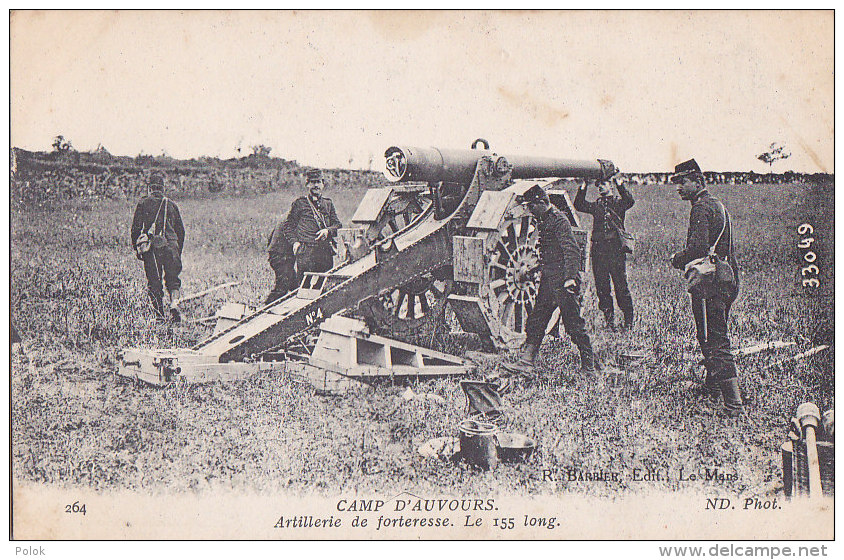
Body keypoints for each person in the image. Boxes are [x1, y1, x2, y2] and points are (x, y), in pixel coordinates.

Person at [669, 159, 742, 417]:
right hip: (726, 279)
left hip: (711, 284)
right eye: (677, 182)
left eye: (683, 182)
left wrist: (678, 259)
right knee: (710, 333)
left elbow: (698, 249)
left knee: (714, 338)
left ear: (698, 182)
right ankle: (712, 385)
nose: (678, 187)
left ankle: (733, 404)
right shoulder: (717, 205)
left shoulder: (700, 208)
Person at [505, 184, 598, 375]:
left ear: (541, 203)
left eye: (532, 206)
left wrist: (571, 279)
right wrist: (536, 268)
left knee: (573, 325)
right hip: (549, 280)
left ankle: (589, 366)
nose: (530, 210)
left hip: (564, 281)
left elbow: (572, 251)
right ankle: (526, 361)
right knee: (537, 320)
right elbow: (551, 254)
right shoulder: (544, 219)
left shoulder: (559, 221)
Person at [574, 175, 635, 330]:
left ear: (611, 186)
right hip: (599, 249)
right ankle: (609, 322)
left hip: (615, 249)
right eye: (598, 185)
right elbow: (579, 204)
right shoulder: (597, 205)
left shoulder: (619, 203)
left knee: (620, 286)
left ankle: (628, 322)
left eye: (604, 184)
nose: (600, 187)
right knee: (602, 287)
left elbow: (630, 201)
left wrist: (619, 183)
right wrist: (583, 186)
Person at [131, 172, 185, 323]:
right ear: (163, 188)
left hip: (153, 247)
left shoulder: (143, 203)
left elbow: (135, 229)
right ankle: (174, 303)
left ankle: (160, 316)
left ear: (150, 188)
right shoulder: (172, 205)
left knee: (155, 282)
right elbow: (181, 231)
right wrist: (177, 251)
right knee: (173, 280)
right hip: (172, 246)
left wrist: (138, 247)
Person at [282, 168, 342, 285]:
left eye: (318, 182)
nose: (316, 185)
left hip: (324, 252)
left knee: (324, 286)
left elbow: (338, 225)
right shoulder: (299, 203)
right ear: (307, 184)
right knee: (304, 287)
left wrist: (327, 231)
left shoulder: (328, 203)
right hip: (306, 252)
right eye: (313, 182)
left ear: (323, 184)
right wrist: (295, 242)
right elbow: (288, 226)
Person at [264, 215, 296, 305]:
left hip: (275, 254)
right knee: (282, 288)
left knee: (296, 286)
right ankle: (267, 308)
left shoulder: (286, 218)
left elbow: (270, 237)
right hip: (282, 256)